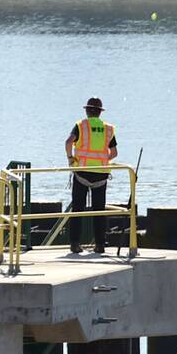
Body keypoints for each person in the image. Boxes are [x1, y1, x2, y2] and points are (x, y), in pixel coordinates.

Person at [65, 96, 119, 255]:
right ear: (100, 112)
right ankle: (100, 245)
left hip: (81, 172)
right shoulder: (108, 129)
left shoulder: (80, 125)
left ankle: (75, 244)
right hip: (100, 176)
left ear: (87, 111)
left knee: (78, 210)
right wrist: (102, 160)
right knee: (99, 210)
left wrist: (70, 158)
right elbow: (114, 153)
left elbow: (68, 142)